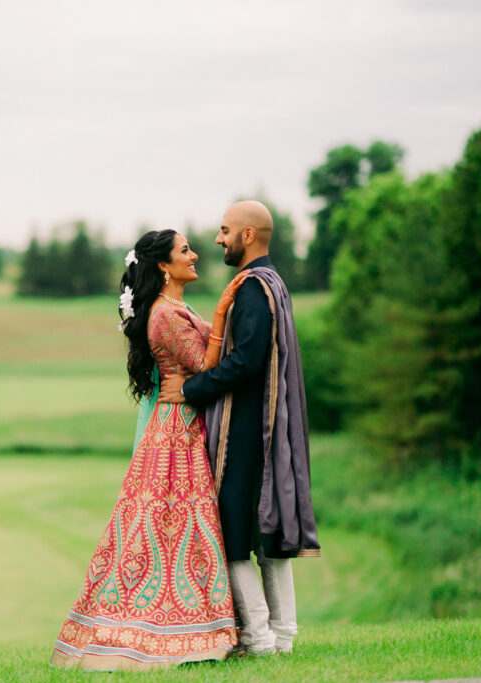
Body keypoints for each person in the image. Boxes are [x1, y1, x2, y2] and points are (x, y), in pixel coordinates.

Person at [49, 229, 247, 671]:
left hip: (181, 423)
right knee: (172, 528)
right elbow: (202, 367)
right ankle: (167, 633)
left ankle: (193, 626)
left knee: (177, 529)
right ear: (163, 264)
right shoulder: (164, 315)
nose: (194, 255)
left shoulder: (174, 307)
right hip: (176, 433)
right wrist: (220, 313)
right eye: (184, 251)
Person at [158, 200, 320, 656]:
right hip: (269, 428)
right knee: (264, 536)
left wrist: (190, 389)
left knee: (230, 537)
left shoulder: (251, 288)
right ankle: (283, 637)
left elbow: (247, 361)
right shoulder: (275, 282)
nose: (218, 239)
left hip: (247, 431)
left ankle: (259, 638)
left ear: (248, 236)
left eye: (225, 230)